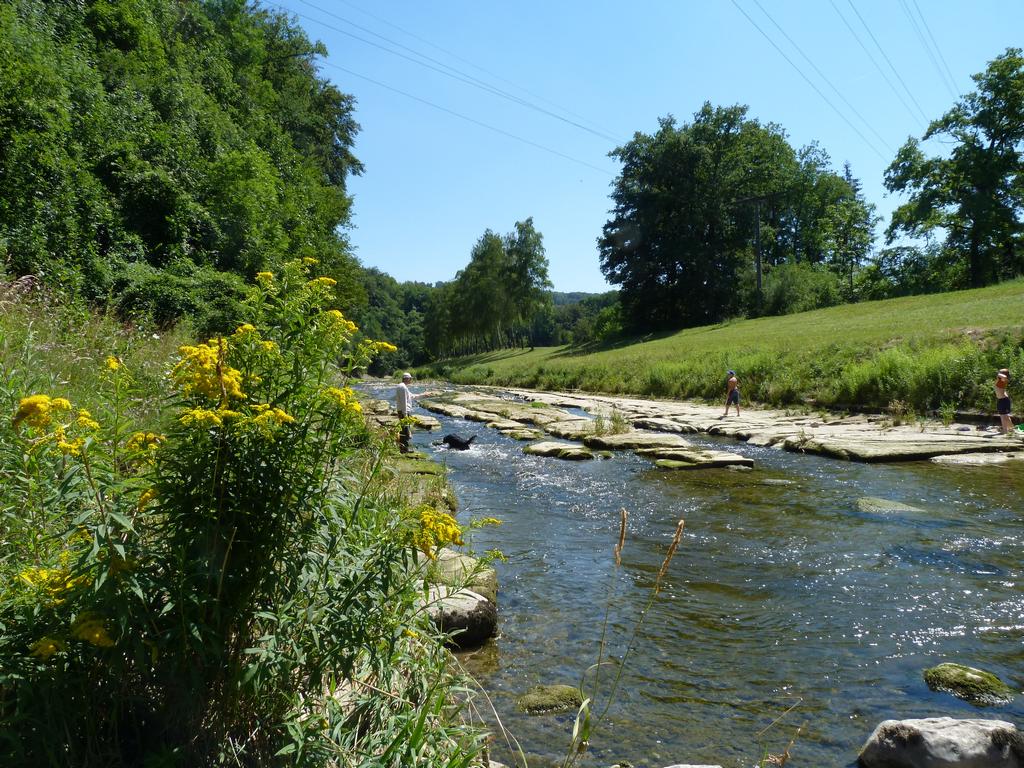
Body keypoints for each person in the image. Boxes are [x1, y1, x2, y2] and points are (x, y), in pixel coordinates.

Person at [395, 372, 415, 453]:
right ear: (407, 379)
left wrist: (424, 394)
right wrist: (405, 415)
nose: (411, 380)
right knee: (405, 430)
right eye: (410, 379)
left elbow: (412, 396)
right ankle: (404, 449)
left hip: (403, 411)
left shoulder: (402, 386)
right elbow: (404, 402)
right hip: (404, 412)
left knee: (404, 429)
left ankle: (404, 448)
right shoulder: (402, 387)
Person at [995, 367, 1013, 435]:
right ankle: (1011, 429)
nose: (998, 373)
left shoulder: (1003, 380)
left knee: (1003, 416)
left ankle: (1005, 431)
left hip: (1003, 400)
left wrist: (998, 374)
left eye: (1000, 372)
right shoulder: (1000, 381)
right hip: (1002, 400)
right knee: (1006, 416)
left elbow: (1005, 376)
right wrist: (999, 374)